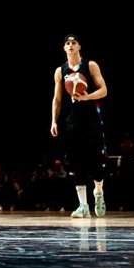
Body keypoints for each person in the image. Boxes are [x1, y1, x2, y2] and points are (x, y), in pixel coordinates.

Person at [50, 34, 108, 218]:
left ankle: (98, 193)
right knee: (77, 163)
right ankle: (83, 206)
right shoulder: (60, 71)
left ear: (79, 46)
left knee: (96, 163)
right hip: (72, 122)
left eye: (74, 43)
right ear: (64, 48)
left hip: (91, 119)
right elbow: (57, 98)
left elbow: (104, 90)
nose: (71, 45)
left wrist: (87, 97)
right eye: (67, 43)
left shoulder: (90, 65)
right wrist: (53, 120)